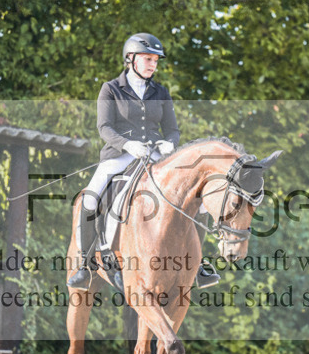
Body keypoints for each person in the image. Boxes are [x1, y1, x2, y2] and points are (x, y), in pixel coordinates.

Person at [67, 32, 219, 291]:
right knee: (91, 198)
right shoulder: (111, 88)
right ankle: (85, 264)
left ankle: (198, 264)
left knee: (199, 203)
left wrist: (169, 142)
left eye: (155, 61)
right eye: (147, 59)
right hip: (120, 155)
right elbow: (104, 127)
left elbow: (172, 128)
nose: (152, 64)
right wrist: (127, 145)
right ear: (131, 59)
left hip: (157, 157)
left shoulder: (161, 91)